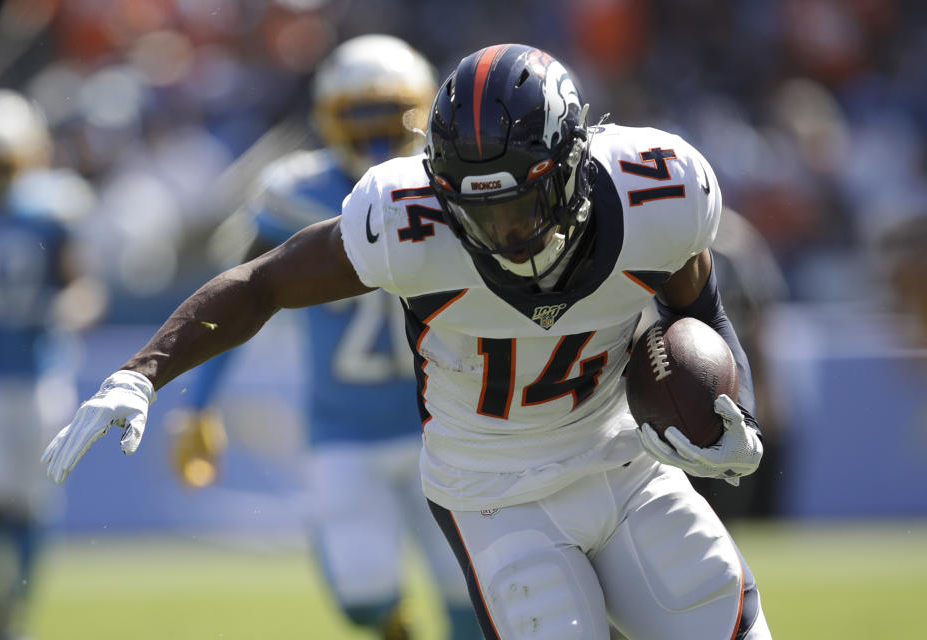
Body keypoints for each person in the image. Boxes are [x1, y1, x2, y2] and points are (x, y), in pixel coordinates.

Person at [42, 44, 771, 639]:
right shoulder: (403, 216)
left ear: (573, 167)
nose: (503, 234)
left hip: (623, 464)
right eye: (477, 210)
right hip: (492, 491)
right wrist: (142, 374)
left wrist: (733, 396)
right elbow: (261, 284)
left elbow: (699, 309)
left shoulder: (660, 192)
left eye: (521, 202)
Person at [169, 34, 482, 640]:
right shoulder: (295, 193)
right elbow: (242, 297)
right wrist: (200, 402)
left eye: (388, 115)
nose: (372, 134)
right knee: (365, 598)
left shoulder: (454, 184)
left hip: (448, 427)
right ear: (326, 120)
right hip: (344, 434)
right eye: (356, 116)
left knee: (470, 597)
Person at [0, 89, 100, 640]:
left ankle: (13, 610)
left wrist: (68, 309)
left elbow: (82, 287)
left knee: (28, 499)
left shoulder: (52, 211)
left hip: (38, 370)